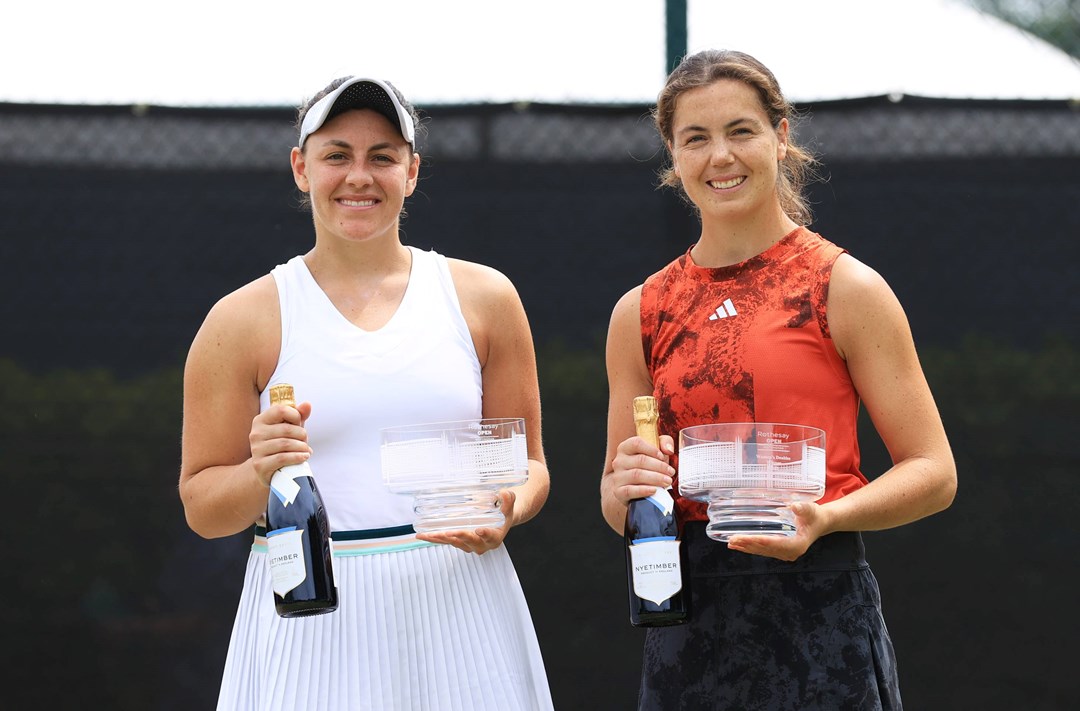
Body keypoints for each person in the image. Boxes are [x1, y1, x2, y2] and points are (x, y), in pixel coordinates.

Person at [178, 76, 554, 711]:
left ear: (411, 171)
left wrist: (506, 507)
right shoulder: (240, 320)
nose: (360, 176)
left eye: (382, 155)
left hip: (462, 607)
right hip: (308, 623)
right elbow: (202, 506)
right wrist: (259, 472)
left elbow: (532, 468)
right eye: (336, 156)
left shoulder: (486, 299)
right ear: (302, 169)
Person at [600, 50, 957, 710]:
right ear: (673, 158)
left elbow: (934, 471)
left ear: (781, 136)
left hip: (822, 615)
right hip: (687, 628)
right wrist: (621, 486)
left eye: (741, 130)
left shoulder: (844, 286)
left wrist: (824, 517)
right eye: (696, 139)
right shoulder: (640, 311)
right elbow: (620, 501)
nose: (721, 157)